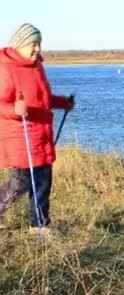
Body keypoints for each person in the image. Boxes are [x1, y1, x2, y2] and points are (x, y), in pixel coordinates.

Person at [0, 23, 75, 229]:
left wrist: (62, 103)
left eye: (39, 44)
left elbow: (42, 99)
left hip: (41, 137)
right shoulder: (5, 68)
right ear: (20, 45)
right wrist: (15, 110)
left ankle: (39, 226)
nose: (38, 49)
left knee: (43, 184)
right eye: (33, 44)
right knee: (21, 184)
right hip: (20, 138)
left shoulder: (37, 67)